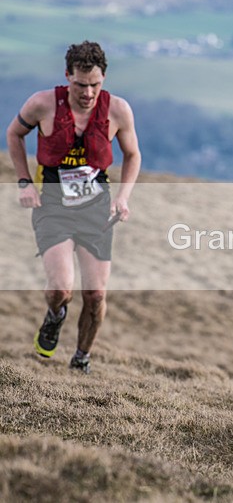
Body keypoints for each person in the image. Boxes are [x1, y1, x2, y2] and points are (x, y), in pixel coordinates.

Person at [6, 40, 141, 374]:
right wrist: (24, 181)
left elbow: (133, 155)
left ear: (103, 79)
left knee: (95, 294)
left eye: (95, 84)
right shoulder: (42, 104)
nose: (88, 92)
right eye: (81, 85)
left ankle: (81, 357)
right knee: (61, 289)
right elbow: (14, 134)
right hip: (52, 207)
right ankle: (55, 315)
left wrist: (123, 197)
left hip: (96, 209)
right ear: (68, 76)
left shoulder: (117, 110)